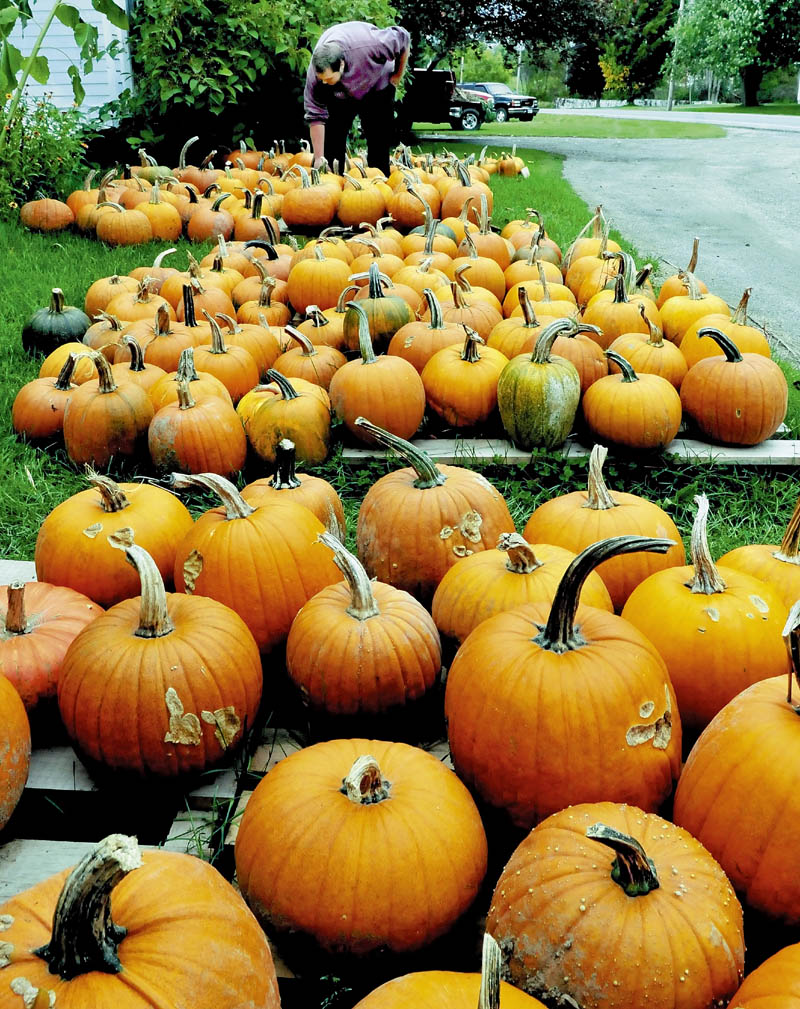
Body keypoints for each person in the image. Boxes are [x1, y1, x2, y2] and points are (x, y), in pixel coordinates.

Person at [303, 21, 410, 176]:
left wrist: (397, 75)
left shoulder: (371, 44)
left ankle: (379, 182)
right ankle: (333, 180)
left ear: (341, 65)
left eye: (328, 78)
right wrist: (319, 157)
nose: (324, 82)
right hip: (342, 94)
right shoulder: (316, 77)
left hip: (376, 82)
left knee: (378, 137)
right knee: (333, 139)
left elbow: (403, 37)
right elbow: (315, 116)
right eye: (322, 79)